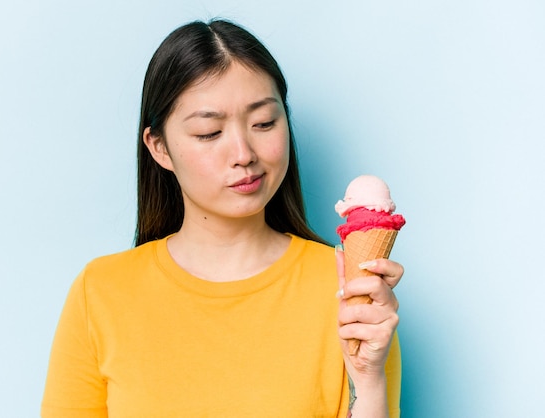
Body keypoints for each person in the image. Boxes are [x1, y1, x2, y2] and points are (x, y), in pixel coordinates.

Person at [41, 19, 403, 418]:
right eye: (210, 132)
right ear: (159, 147)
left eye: (264, 122)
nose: (244, 152)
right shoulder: (101, 292)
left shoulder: (349, 290)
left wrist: (368, 380)